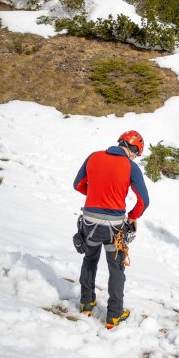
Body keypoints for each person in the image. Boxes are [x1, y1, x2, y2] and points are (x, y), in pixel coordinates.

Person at [73, 130, 150, 329]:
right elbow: (144, 201)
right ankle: (114, 315)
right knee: (116, 269)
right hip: (113, 227)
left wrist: (96, 195)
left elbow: (78, 184)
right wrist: (133, 216)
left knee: (89, 260)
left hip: (89, 222)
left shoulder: (94, 156)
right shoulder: (130, 166)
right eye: (136, 153)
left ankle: (86, 303)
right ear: (133, 149)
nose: (135, 157)